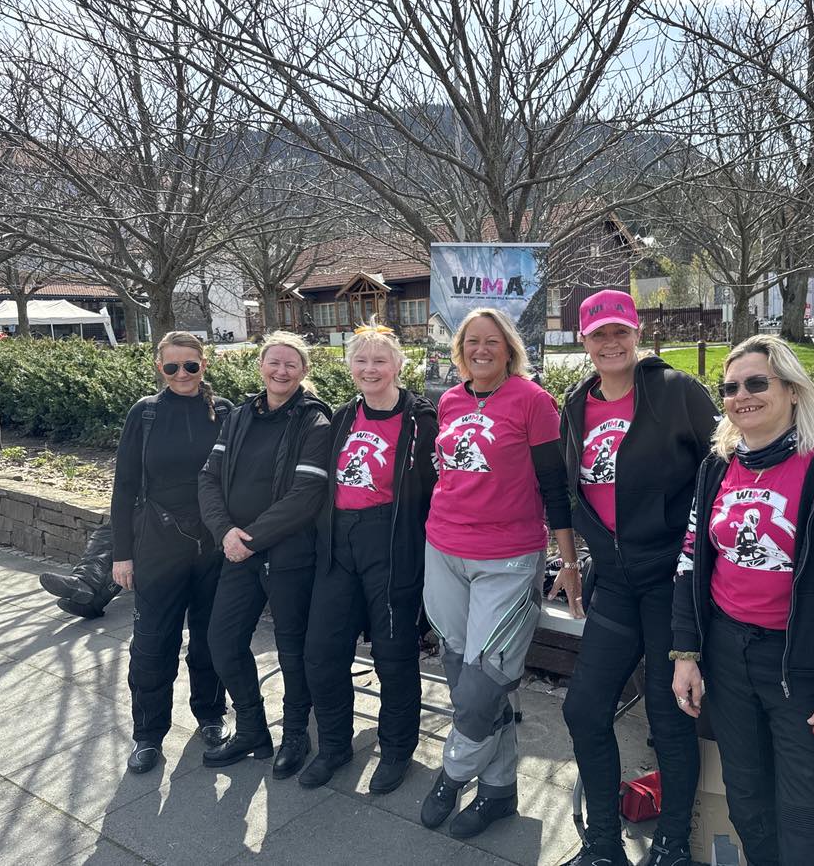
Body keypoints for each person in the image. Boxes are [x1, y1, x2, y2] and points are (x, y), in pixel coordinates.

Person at [671, 334, 814, 866]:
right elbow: (691, 562)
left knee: (810, 821)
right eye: (730, 388)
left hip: (804, 666)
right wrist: (686, 653)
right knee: (748, 806)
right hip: (728, 656)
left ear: (791, 390)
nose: (742, 395)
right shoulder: (716, 467)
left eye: (756, 383)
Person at [558, 290, 717, 866]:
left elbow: (724, 471)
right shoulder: (576, 403)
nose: (611, 343)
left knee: (669, 714)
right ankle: (603, 841)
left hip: (672, 581)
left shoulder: (677, 392)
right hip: (615, 581)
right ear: (584, 341)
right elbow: (569, 489)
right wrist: (572, 560)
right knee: (583, 709)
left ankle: (673, 844)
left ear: (637, 334)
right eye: (599, 335)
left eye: (620, 332)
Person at [420, 307, 580, 839]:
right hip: (443, 548)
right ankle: (498, 791)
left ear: (509, 349)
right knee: (467, 674)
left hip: (507, 557)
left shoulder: (533, 400)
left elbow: (554, 487)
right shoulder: (450, 400)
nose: (481, 350)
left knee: (484, 680)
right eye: (472, 342)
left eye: (492, 341)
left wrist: (569, 562)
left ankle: (453, 772)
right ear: (460, 350)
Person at [301, 322, 439, 791]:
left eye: (380, 360)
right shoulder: (343, 415)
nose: (370, 368)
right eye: (361, 360)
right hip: (340, 541)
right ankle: (334, 746)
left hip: (392, 542)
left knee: (393, 654)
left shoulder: (421, 419)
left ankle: (396, 749)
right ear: (350, 367)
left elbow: (438, 488)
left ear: (398, 365)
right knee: (322, 652)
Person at [198, 331, 332, 779]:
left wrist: (250, 538)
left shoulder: (314, 421)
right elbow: (208, 479)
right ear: (261, 366)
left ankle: (295, 733)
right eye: (274, 362)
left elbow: (306, 495)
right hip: (238, 551)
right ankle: (253, 728)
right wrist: (225, 532)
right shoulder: (238, 417)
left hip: (288, 555)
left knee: (292, 649)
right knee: (222, 640)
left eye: (291, 364)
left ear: (304, 371)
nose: (281, 371)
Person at [105, 331, 234, 773]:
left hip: (213, 544)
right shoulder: (145, 413)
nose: (182, 374)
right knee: (153, 644)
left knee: (210, 638)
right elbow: (124, 487)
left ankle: (211, 715)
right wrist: (121, 554)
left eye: (191, 365)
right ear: (160, 368)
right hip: (158, 544)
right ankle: (148, 734)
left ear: (204, 366)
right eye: (172, 366)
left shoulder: (224, 412)